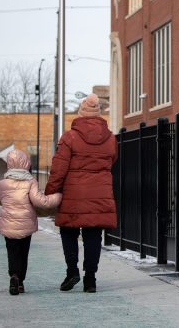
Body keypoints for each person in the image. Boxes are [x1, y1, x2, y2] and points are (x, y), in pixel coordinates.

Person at [45, 93, 117, 293]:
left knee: (69, 231)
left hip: (73, 193)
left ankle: (72, 271)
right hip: (99, 193)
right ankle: (90, 279)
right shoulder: (110, 138)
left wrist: (50, 193)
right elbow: (111, 161)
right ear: (98, 114)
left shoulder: (70, 137)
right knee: (93, 235)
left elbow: (58, 169)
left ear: (81, 113)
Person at [0, 149, 62, 295]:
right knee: (23, 252)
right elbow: (40, 201)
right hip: (26, 223)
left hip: (8, 223)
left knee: (12, 251)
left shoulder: (3, 183)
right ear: (25, 163)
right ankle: (20, 281)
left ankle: (13, 275)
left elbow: (0, 197)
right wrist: (58, 197)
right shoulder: (30, 182)